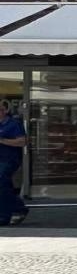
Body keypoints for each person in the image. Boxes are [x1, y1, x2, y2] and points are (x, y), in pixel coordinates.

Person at [0, 97, 25, 226]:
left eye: (1, 109)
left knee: (1, 183)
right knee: (5, 187)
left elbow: (22, 142)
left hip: (9, 160)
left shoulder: (13, 124)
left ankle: (4, 216)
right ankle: (20, 208)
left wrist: (2, 140)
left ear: (5, 110)